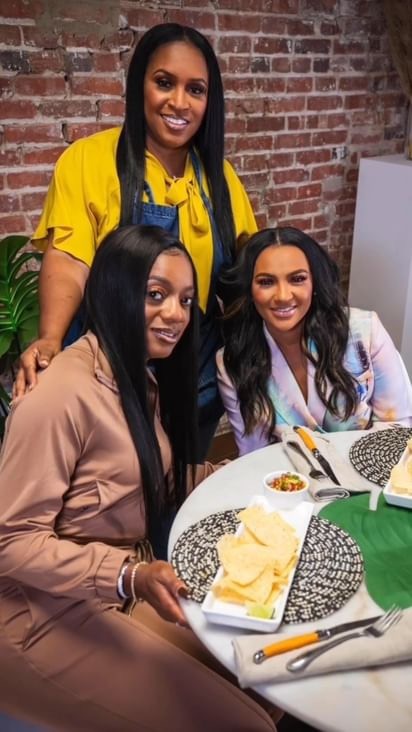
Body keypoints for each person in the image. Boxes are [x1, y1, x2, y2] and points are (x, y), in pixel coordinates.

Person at [0, 225, 277, 732]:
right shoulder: (58, 394)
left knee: (267, 685)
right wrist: (128, 575)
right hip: (37, 615)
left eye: (185, 300)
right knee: (247, 725)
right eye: (156, 294)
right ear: (115, 291)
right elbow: (11, 542)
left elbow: (146, 478)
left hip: (114, 590)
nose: (176, 314)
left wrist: (246, 475)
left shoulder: (135, 372)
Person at [14, 22, 257, 458]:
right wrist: (49, 337)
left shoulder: (220, 178)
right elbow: (69, 259)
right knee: (114, 490)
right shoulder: (88, 160)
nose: (179, 102)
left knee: (183, 484)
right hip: (110, 382)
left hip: (196, 385)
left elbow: (247, 271)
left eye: (195, 89)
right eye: (164, 83)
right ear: (139, 84)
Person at [216, 226, 412, 456]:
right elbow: (253, 455)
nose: (283, 296)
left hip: (371, 468)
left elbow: (398, 426)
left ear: (315, 283)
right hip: (290, 475)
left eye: (297, 279)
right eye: (266, 282)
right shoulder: (233, 361)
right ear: (249, 289)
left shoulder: (364, 331)